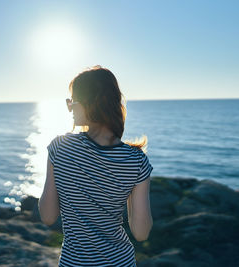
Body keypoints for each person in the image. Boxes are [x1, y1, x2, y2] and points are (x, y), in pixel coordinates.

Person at [38, 65, 153, 266]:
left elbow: (48, 216)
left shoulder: (60, 148)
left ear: (89, 104)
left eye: (71, 101)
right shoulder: (137, 160)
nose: (69, 107)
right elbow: (141, 233)